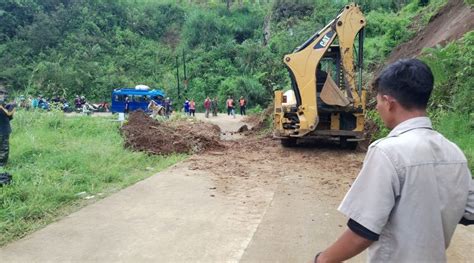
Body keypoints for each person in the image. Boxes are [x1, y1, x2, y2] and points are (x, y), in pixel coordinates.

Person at [312, 59, 474, 263]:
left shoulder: (388, 152)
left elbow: (363, 231)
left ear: (389, 103)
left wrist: (322, 260)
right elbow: (468, 213)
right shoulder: (455, 154)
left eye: (378, 101)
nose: (377, 107)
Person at [0, 84, 15, 180]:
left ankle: (2, 164)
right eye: (1, 93)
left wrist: (10, 108)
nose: (2, 95)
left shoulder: (6, 105)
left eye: (3, 94)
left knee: (4, 147)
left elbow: (10, 116)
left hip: (4, 128)